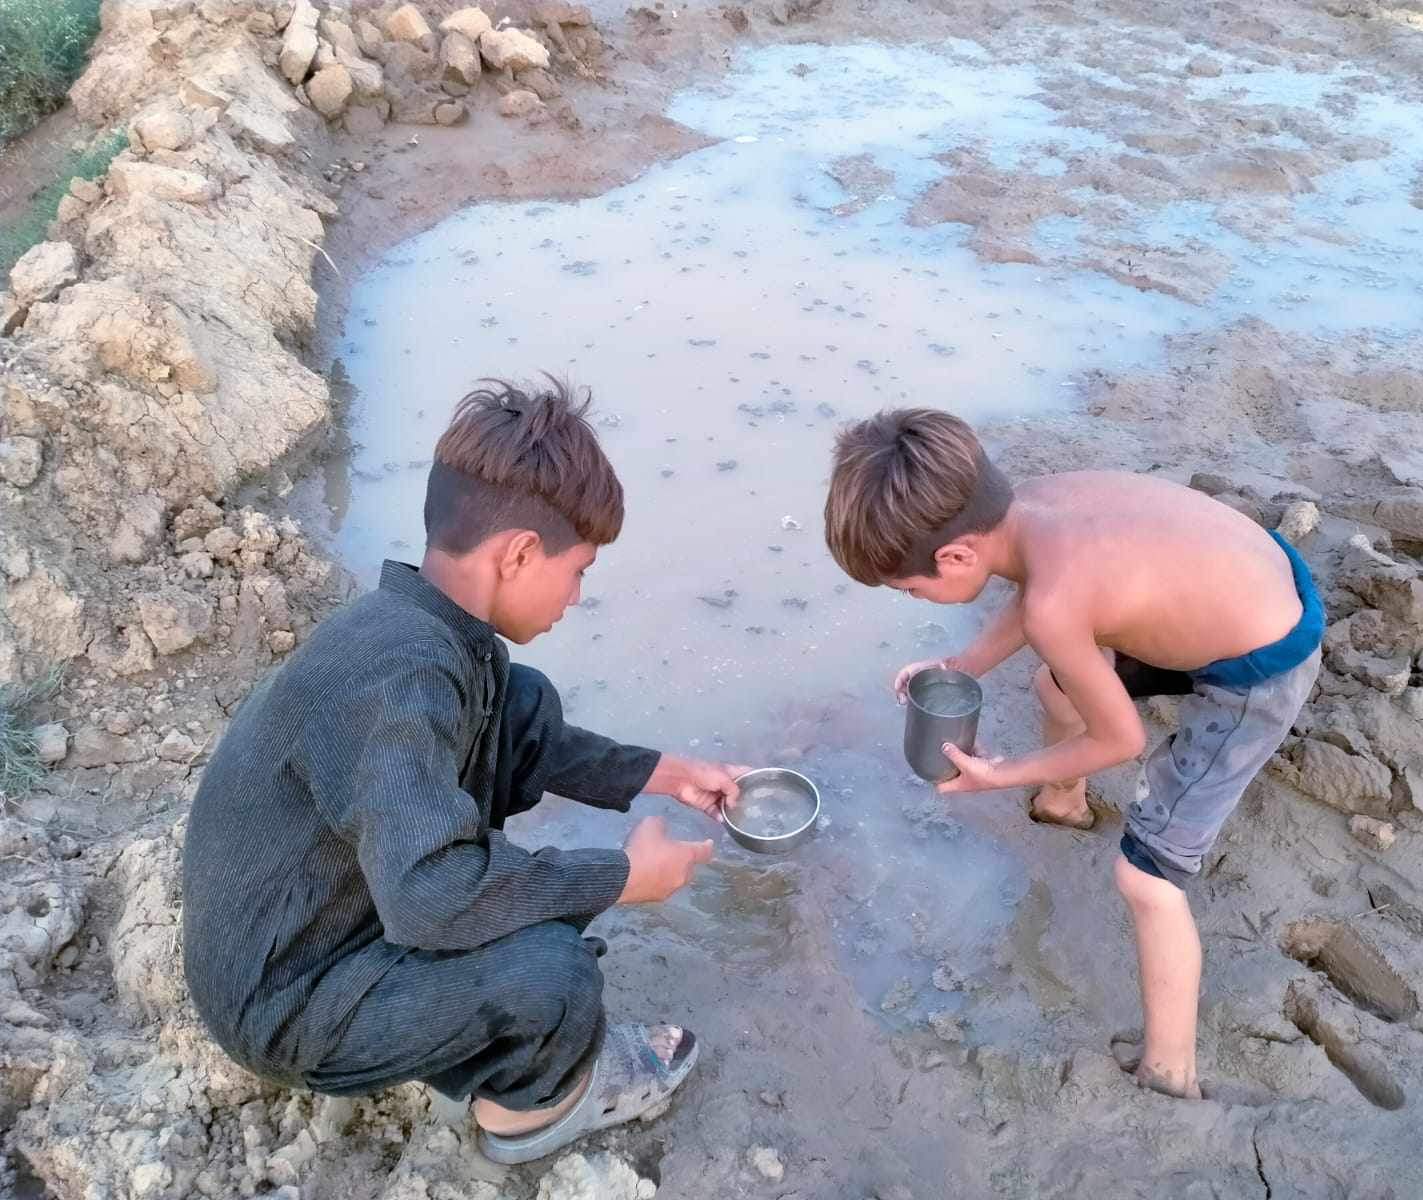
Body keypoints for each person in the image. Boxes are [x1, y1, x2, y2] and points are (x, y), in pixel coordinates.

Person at [182, 378, 744, 1164]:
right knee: (554, 980)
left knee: (516, 700)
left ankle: (462, 1009)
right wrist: (619, 877)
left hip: (333, 918)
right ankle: (533, 1111)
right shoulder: (403, 682)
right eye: (578, 570)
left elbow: (525, 737)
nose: (578, 596)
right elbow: (429, 898)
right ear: (517, 554)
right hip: (285, 999)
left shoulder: (426, 634)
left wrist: (663, 772)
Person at [822, 409, 1323, 1100]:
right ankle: (1064, 803)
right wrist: (959, 664)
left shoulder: (1058, 603)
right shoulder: (1036, 502)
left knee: (1147, 880)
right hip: (1239, 582)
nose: (914, 599)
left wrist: (1001, 773)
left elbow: (1122, 740)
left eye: (912, 589)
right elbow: (1036, 599)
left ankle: (1170, 1069)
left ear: (957, 556)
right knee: (1057, 679)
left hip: (1258, 666)